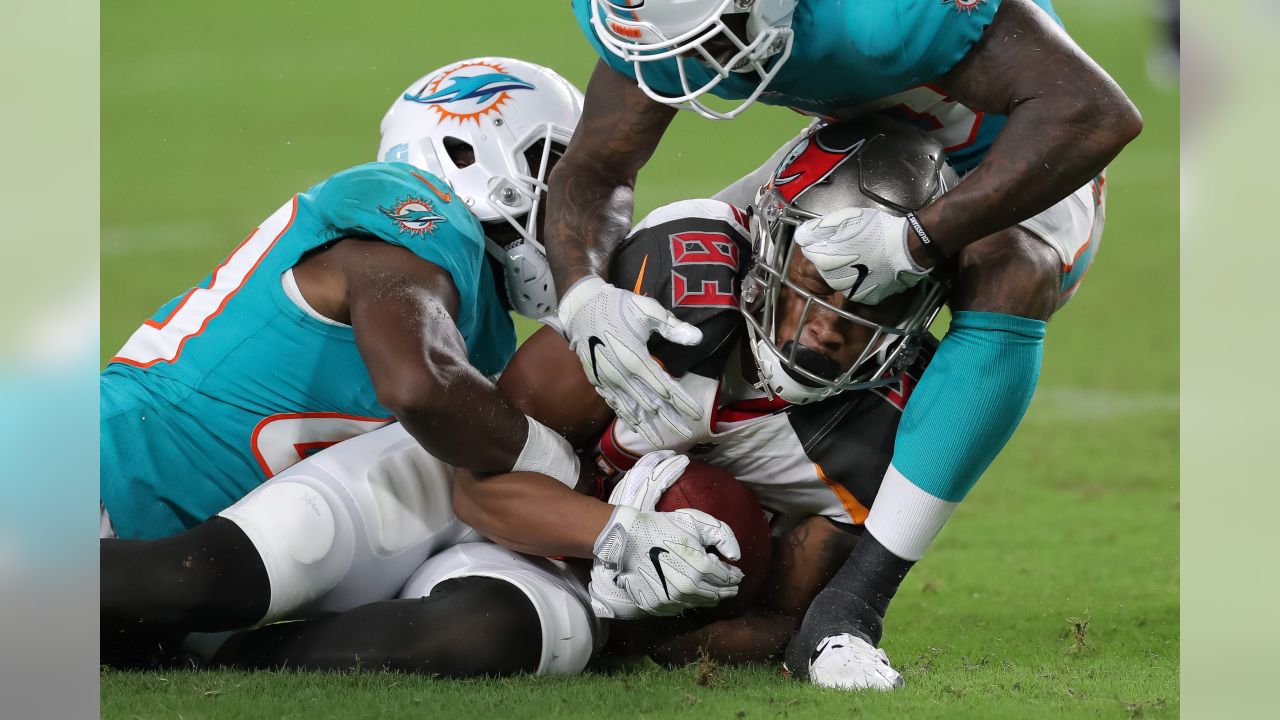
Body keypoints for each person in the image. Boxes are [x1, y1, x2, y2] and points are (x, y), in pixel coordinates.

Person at [544, 0, 1141, 688]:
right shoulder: (654, 22)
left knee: (1011, 271)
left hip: (1020, 144)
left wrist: (921, 237)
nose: (689, 67)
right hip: (866, 137)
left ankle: (851, 609)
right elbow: (596, 170)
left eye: (714, 42)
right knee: (681, 269)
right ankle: (553, 501)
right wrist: (583, 294)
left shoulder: (891, 14)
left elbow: (1094, 113)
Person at [100, 57, 742, 668]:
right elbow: (418, 386)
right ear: (494, 157)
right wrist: (556, 464)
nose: (575, 203)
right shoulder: (416, 209)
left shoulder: (478, 328)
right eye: (561, 169)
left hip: (170, 555)